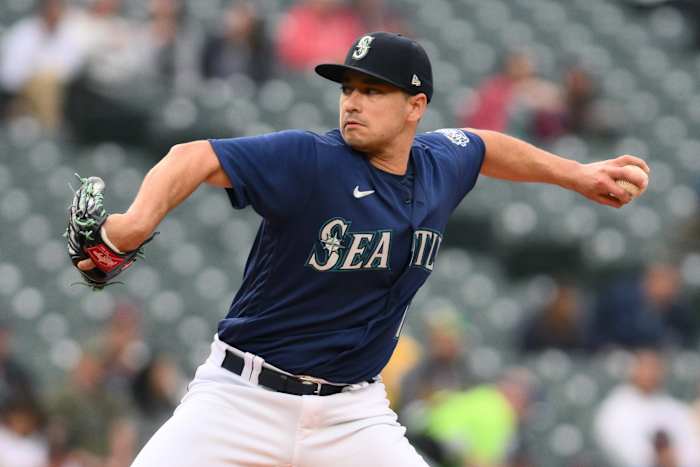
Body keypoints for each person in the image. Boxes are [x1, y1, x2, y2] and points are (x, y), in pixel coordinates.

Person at [73, 32, 649, 466]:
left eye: (373, 90)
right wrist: (128, 227)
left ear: (415, 107)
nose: (352, 101)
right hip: (241, 398)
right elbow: (191, 157)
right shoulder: (311, 160)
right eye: (348, 88)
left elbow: (485, 146)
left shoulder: (439, 165)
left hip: (352, 415)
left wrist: (575, 173)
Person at [594, 349, 700, 467]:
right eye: (646, 367)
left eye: (655, 368)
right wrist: (654, 458)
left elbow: (692, 443)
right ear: (634, 369)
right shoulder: (616, 406)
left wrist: (675, 458)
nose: (650, 373)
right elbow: (616, 445)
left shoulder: (673, 407)